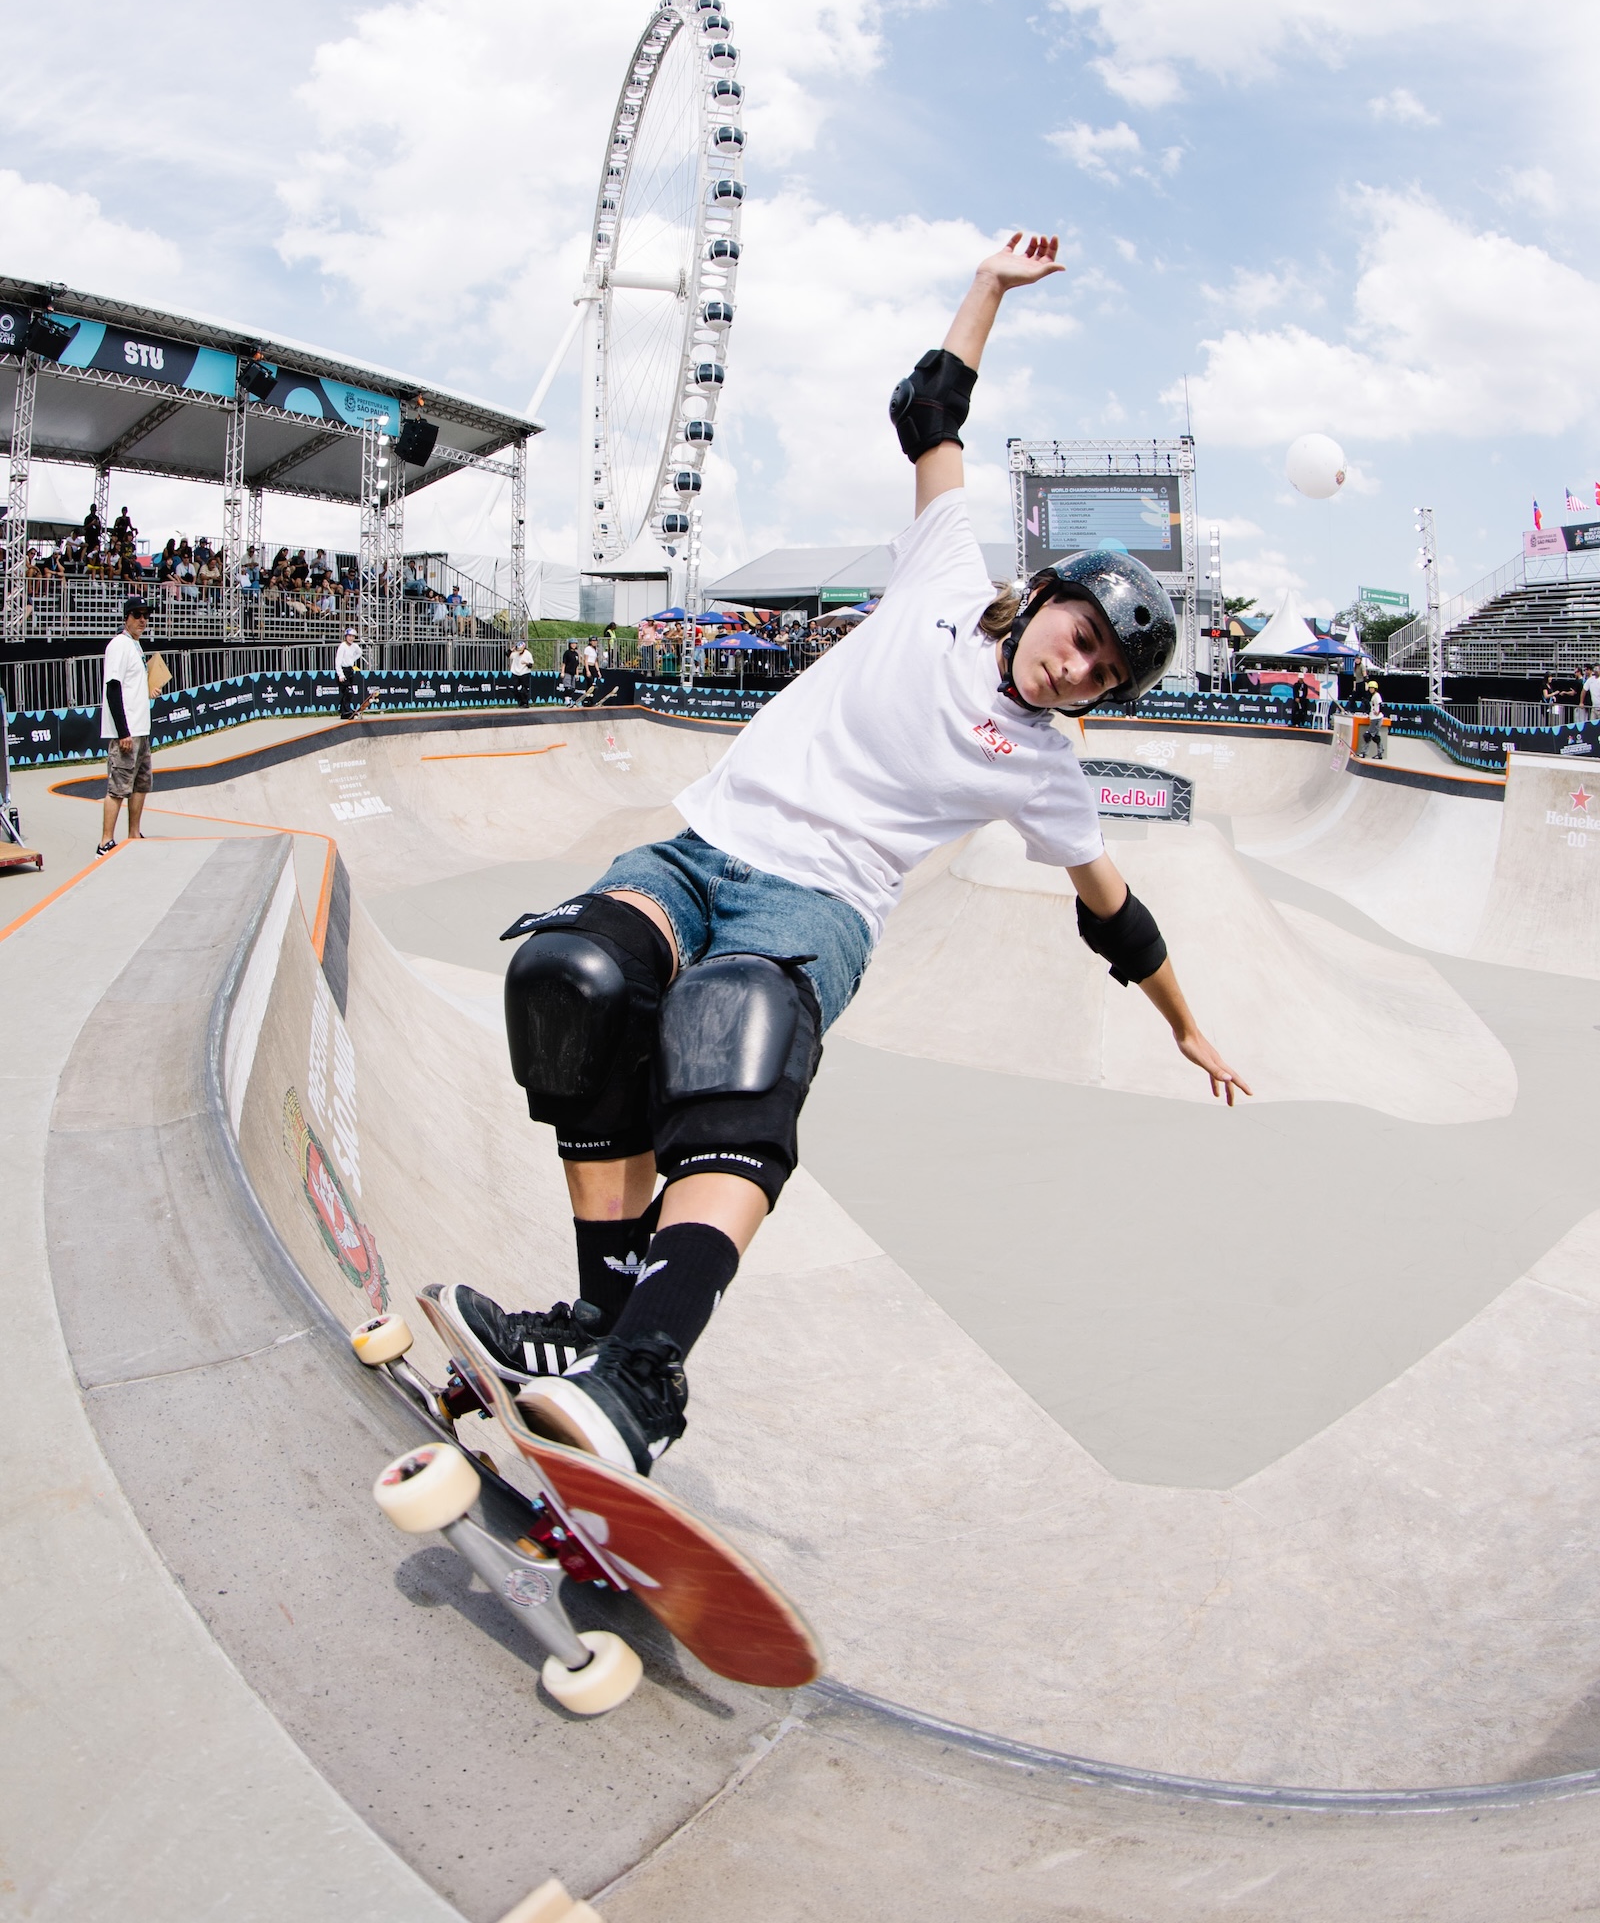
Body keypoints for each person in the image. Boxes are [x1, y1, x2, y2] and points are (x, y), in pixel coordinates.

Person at [444, 231, 1252, 1480]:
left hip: (818, 908)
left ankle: (646, 1376)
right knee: (575, 983)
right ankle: (597, 1325)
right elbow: (931, 406)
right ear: (1042, 597)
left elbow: (1113, 913)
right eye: (1077, 630)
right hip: (703, 845)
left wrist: (1183, 1021)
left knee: (728, 1032)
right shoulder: (942, 563)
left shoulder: (1044, 765)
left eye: (1099, 667)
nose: (1074, 662)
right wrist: (989, 288)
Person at [98, 597, 153, 856]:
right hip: (127, 732)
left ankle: (133, 833)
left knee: (141, 784)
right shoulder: (119, 645)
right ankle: (105, 842)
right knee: (118, 787)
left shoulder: (136, 646)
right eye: (137, 615)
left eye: (146, 615)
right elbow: (113, 688)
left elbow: (132, 685)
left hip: (142, 730)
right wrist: (123, 732)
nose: (143, 620)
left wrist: (148, 689)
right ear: (126, 618)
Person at [335, 626, 366, 719]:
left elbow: (359, 652)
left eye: (353, 636)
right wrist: (340, 674)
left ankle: (344, 710)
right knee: (348, 691)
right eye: (349, 636)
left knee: (347, 692)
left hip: (350, 670)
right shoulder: (342, 646)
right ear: (346, 636)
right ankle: (346, 711)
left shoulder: (354, 646)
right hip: (343, 670)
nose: (351, 638)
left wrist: (352, 660)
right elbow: (338, 661)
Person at [509, 636, 535, 705]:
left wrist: (526, 663)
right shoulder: (516, 653)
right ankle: (520, 701)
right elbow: (507, 654)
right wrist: (512, 649)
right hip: (516, 672)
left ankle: (525, 703)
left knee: (524, 689)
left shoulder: (528, 654)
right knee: (514, 689)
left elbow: (531, 665)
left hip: (525, 673)